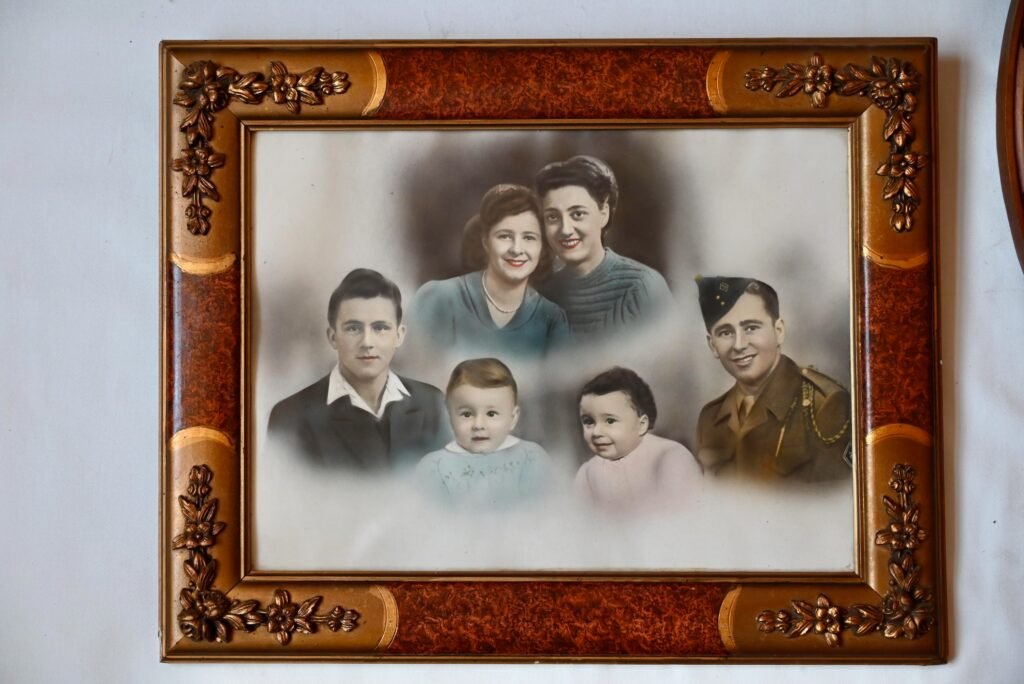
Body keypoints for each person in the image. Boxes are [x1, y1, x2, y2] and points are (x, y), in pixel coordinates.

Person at [267, 269, 449, 470]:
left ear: (399, 336)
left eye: (380, 328)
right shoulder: (290, 417)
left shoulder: (433, 404)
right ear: (333, 337)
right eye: (353, 328)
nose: (367, 342)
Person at [694, 276, 852, 481]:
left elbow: (837, 496)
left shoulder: (824, 405)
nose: (739, 345)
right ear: (712, 345)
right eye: (725, 332)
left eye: (751, 328)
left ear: (779, 332)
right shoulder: (710, 418)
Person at [410, 184, 569, 360]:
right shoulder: (439, 298)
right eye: (505, 236)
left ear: (542, 246)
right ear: (486, 241)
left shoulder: (551, 319)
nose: (517, 249)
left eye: (529, 238)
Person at [534, 155, 673, 341]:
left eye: (577, 214)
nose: (565, 230)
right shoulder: (544, 296)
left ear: (604, 213)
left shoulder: (642, 287)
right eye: (552, 217)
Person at [416, 358, 551, 506]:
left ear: (513, 418)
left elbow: (542, 510)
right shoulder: (434, 466)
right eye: (467, 414)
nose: (478, 425)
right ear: (450, 416)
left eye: (491, 414)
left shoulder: (530, 457)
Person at [574, 367, 700, 510]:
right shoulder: (587, 474)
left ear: (641, 425)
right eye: (589, 422)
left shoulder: (670, 457)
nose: (596, 432)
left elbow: (686, 515)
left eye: (610, 421)